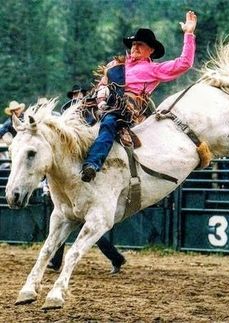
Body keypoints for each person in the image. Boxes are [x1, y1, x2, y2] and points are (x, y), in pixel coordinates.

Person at [81, 11, 197, 182]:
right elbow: (103, 82)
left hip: (123, 109)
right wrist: (101, 93)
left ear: (150, 50)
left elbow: (184, 63)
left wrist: (189, 34)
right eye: (133, 44)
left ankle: (92, 164)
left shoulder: (153, 69)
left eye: (140, 44)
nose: (134, 47)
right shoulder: (116, 64)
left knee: (109, 123)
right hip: (101, 102)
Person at [48, 86, 126, 274]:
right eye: (74, 94)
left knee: (79, 223)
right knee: (66, 220)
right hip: (70, 175)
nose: (76, 97)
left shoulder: (90, 111)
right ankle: (57, 261)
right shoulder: (69, 113)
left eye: (78, 94)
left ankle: (115, 257)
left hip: (82, 171)